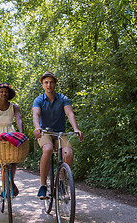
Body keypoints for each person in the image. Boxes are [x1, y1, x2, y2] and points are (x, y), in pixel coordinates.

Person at [32, 71, 83, 199]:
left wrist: (76, 128)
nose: (49, 85)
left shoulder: (63, 99)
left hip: (60, 133)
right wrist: (37, 127)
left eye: (51, 82)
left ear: (55, 84)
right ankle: (43, 186)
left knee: (69, 153)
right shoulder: (38, 100)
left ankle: (61, 182)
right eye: (46, 82)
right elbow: (36, 115)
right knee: (48, 149)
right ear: (42, 85)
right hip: (45, 132)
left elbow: (70, 113)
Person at [0, 83, 23, 200]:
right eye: (1, 91)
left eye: (6, 92)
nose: (4, 93)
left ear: (9, 94)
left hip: (9, 133)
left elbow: (19, 119)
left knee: (13, 159)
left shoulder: (14, 107)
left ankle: (10, 183)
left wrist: (21, 134)